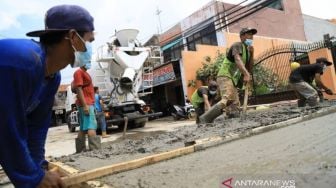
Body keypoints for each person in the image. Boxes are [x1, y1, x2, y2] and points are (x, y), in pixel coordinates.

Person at [0, 4, 95, 188]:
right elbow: (6, 129)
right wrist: (33, 178)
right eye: (89, 40)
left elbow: (36, 128)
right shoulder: (23, 62)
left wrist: (37, 169)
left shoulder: (52, 77)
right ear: (73, 37)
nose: (90, 47)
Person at [199, 27, 256, 123]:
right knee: (228, 97)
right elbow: (237, 59)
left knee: (235, 102)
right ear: (242, 36)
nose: (251, 37)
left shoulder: (247, 51)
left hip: (233, 79)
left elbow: (249, 68)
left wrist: (252, 53)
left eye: (252, 35)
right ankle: (205, 119)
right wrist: (246, 74)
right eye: (249, 34)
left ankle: (232, 121)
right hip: (225, 75)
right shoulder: (237, 45)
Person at [73, 63, 101, 153]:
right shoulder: (79, 72)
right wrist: (85, 105)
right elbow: (78, 89)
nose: (89, 62)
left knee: (83, 128)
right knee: (91, 126)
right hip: (86, 103)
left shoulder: (83, 73)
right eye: (87, 60)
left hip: (87, 103)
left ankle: (81, 150)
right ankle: (95, 150)